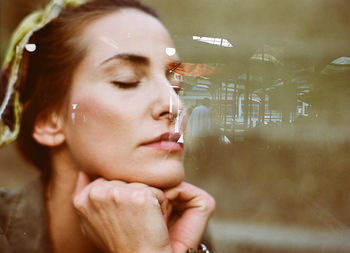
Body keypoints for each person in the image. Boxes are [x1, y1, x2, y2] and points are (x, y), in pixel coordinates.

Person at [0, 0, 215, 252]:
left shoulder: (178, 224)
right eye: (127, 81)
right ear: (49, 122)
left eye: (177, 87)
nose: (176, 106)